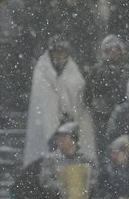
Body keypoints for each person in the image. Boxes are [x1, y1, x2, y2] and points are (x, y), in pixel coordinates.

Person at [24, 36, 97, 167]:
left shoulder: (73, 71)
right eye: (56, 52)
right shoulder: (42, 71)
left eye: (63, 52)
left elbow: (77, 93)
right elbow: (43, 98)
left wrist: (70, 112)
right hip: (50, 124)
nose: (60, 55)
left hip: (70, 122)